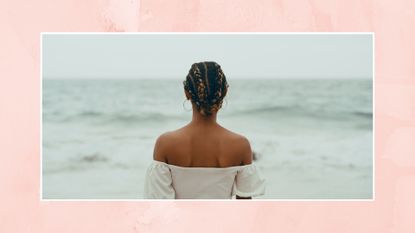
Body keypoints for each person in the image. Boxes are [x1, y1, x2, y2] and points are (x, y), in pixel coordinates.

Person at [143, 61, 265, 199]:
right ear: (224, 92)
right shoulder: (240, 145)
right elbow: (244, 209)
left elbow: (159, 208)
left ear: (186, 93)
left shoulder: (165, 144)